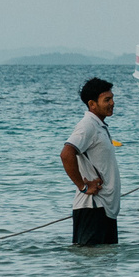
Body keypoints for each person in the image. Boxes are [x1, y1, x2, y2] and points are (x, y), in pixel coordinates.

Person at [60, 76, 121, 242]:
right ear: (92, 104)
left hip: (105, 209)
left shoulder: (99, 126)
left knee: (106, 263)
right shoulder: (87, 125)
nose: (112, 103)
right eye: (107, 100)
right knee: (91, 264)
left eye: (112, 98)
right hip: (92, 208)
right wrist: (83, 186)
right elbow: (66, 154)